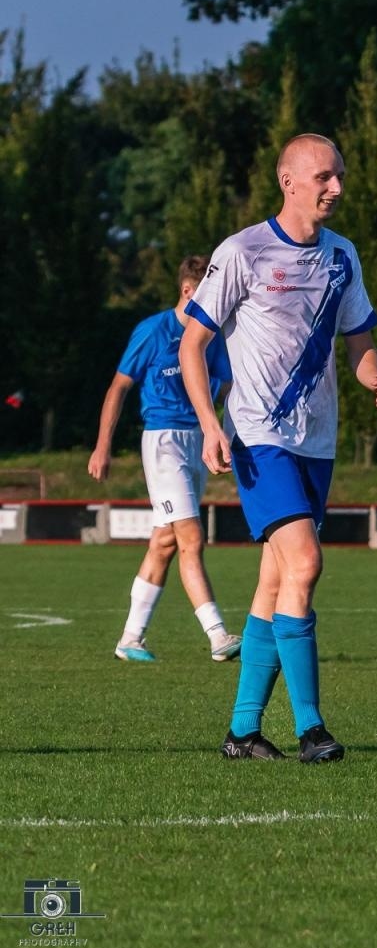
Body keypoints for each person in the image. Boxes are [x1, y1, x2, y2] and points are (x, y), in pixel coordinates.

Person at [179, 132, 377, 764]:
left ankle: (243, 732)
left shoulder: (341, 256)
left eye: (340, 176)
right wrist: (210, 424)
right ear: (289, 181)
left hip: (316, 443)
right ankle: (313, 730)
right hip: (257, 435)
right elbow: (192, 344)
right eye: (325, 176)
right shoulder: (242, 252)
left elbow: (360, 346)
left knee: (276, 581)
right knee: (305, 564)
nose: (336, 187)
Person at [89, 255, 240, 664]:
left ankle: (130, 639)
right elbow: (119, 386)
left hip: (198, 440)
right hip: (163, 442)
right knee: (191, 538)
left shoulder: (209, 337)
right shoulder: (153, 331)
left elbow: (226, 379)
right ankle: (217, 635)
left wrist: (218, 426)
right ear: (189, 291)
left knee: (165, 541)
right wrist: (103, 445)